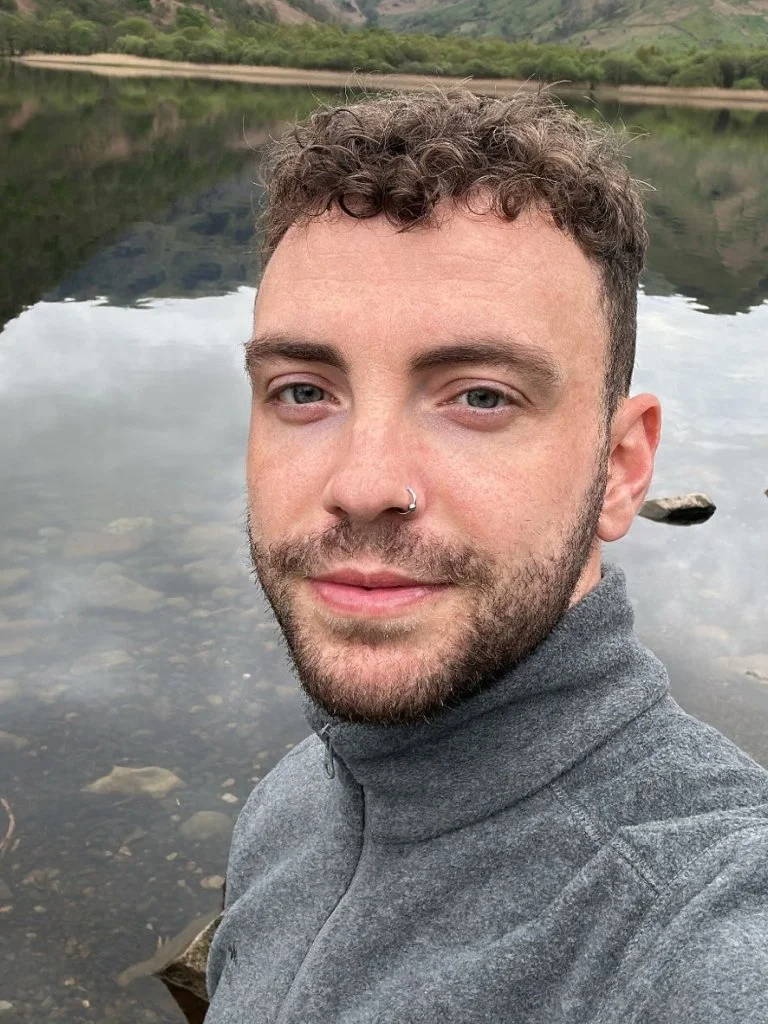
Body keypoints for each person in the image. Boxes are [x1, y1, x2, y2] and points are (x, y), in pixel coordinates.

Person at [205, 88, 768, 1023]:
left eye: (480, 397)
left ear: (622, 470)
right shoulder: (297, 800)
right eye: (304, 391)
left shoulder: (699, 931)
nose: (365, 482)